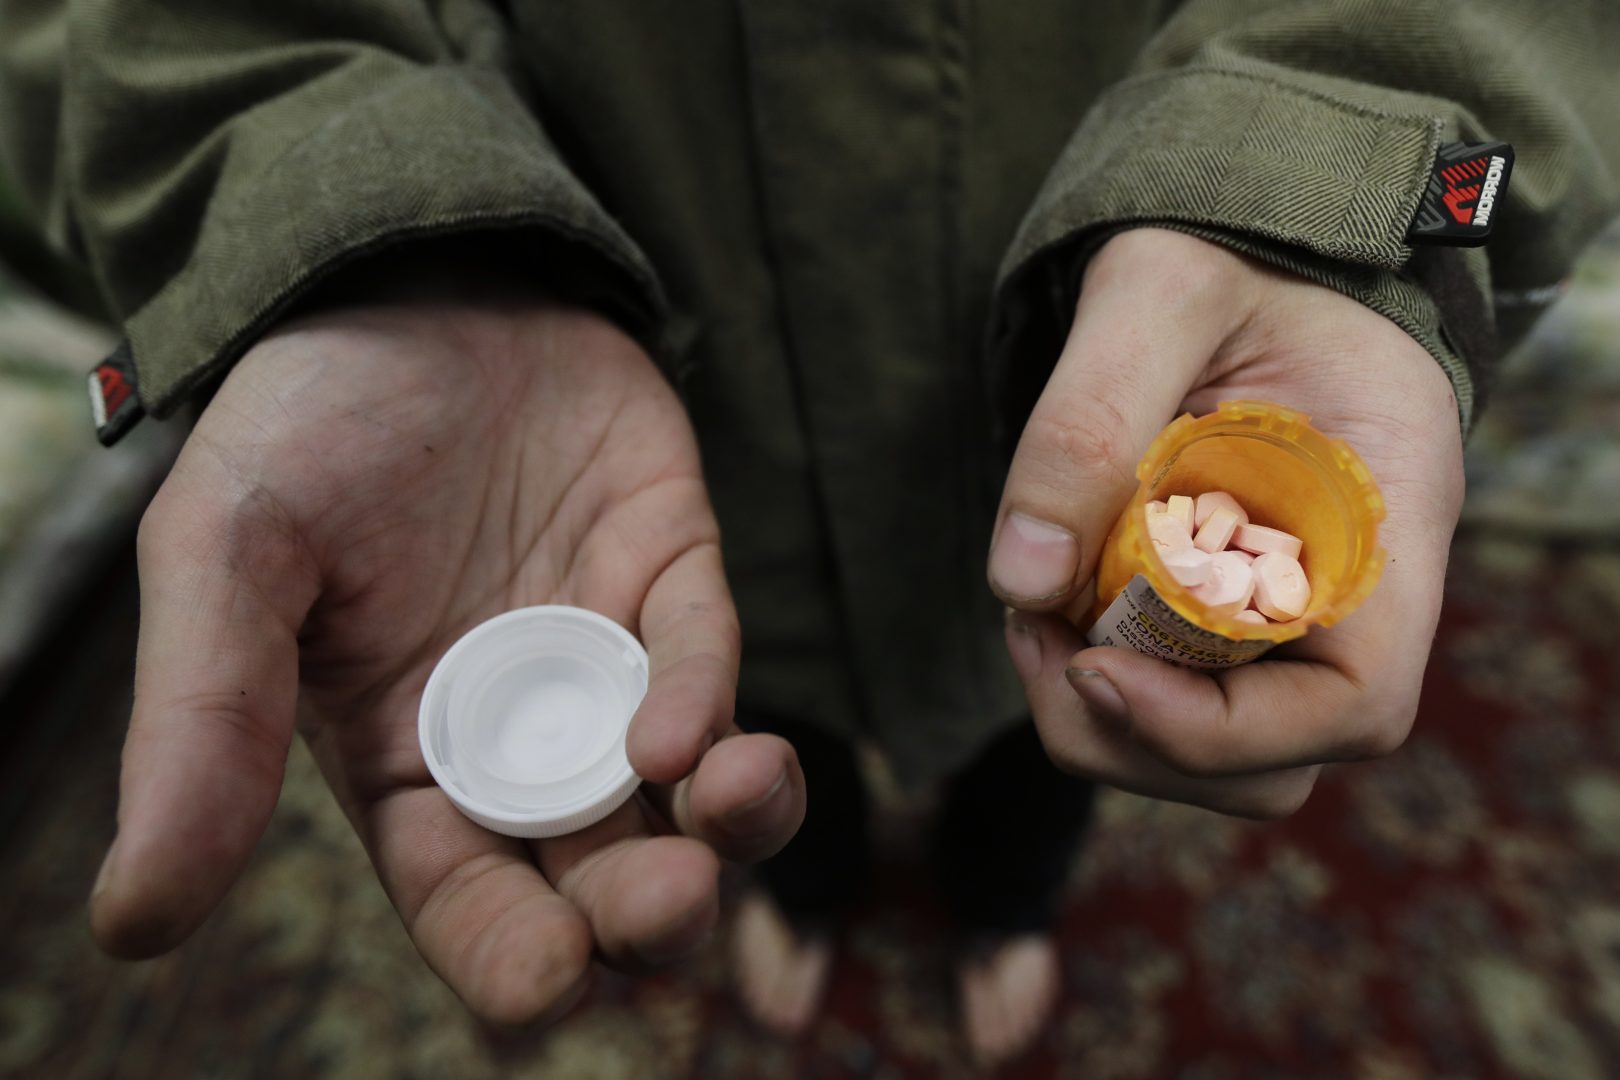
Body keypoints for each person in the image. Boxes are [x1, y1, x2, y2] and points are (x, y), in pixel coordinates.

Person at [1, 0, 1615, 1065]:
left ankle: (1003, 904)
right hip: (663, 442)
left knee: (1056, 733)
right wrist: (346, 217)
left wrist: (1326, 177)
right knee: (758, 753)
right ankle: (815, 884)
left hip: (1086, 354)